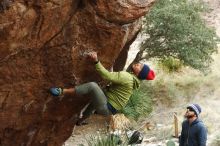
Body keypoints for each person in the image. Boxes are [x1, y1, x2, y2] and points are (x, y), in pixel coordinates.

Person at [49, 51, 155, 125]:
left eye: (140, 67)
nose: (138, 64)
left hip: (107, 107)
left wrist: (96, 61)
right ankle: (80, 121)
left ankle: (62, 91)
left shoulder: (127, 77)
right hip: (110, 108)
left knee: (93, 86)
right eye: (140, 64)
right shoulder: (133, 81)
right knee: (94, 101)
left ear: (138, 73)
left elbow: (107, 76)